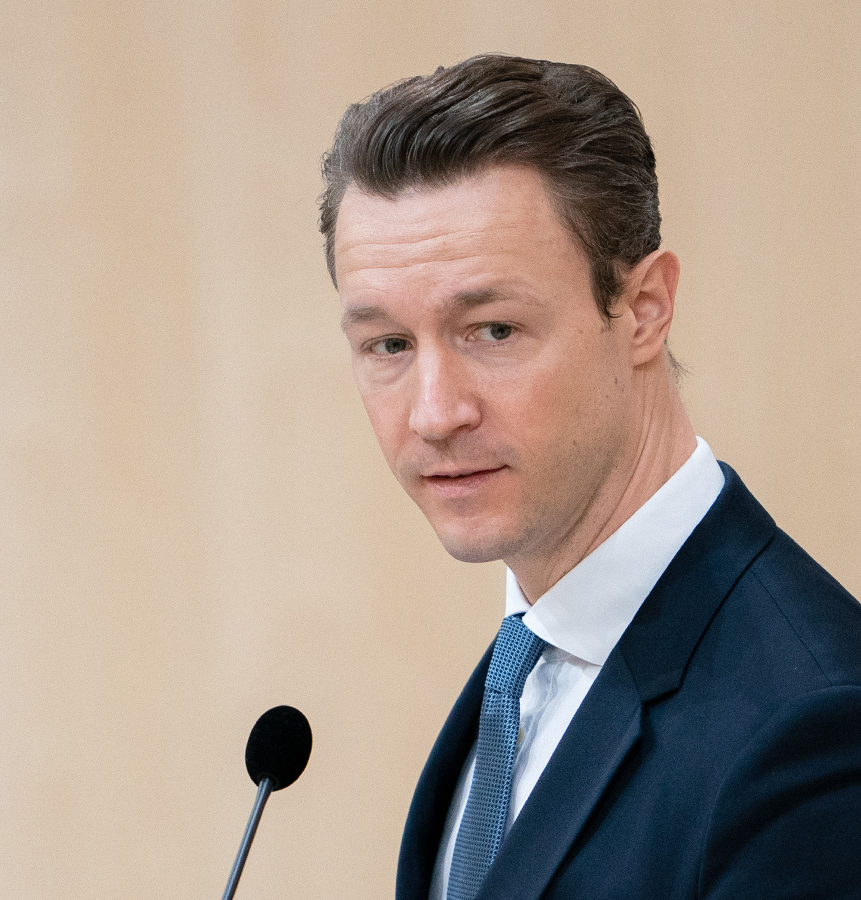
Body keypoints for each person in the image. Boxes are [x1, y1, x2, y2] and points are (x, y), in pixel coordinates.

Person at [318, 55, 861, 900]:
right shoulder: (525, 665)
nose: (434, 413)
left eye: (493, 330)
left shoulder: (814, 726)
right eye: (389, 344)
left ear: (644, 309)